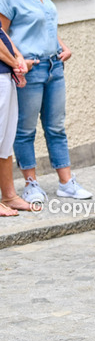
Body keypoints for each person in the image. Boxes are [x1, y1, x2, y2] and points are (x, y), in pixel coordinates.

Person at [0, 0, 91, 204]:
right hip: (30, 69)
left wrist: (62, 46)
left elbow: (46, 23)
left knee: (56, 127)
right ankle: (30, 184)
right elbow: (2, 34)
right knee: (25, 129)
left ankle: (66, 183)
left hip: (54, 66)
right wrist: (18, 60)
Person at [0, 27, 31, 217]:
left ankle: (9, 196)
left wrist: (18, 56)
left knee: (5, 139)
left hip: (5, 74)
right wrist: (15, 63)